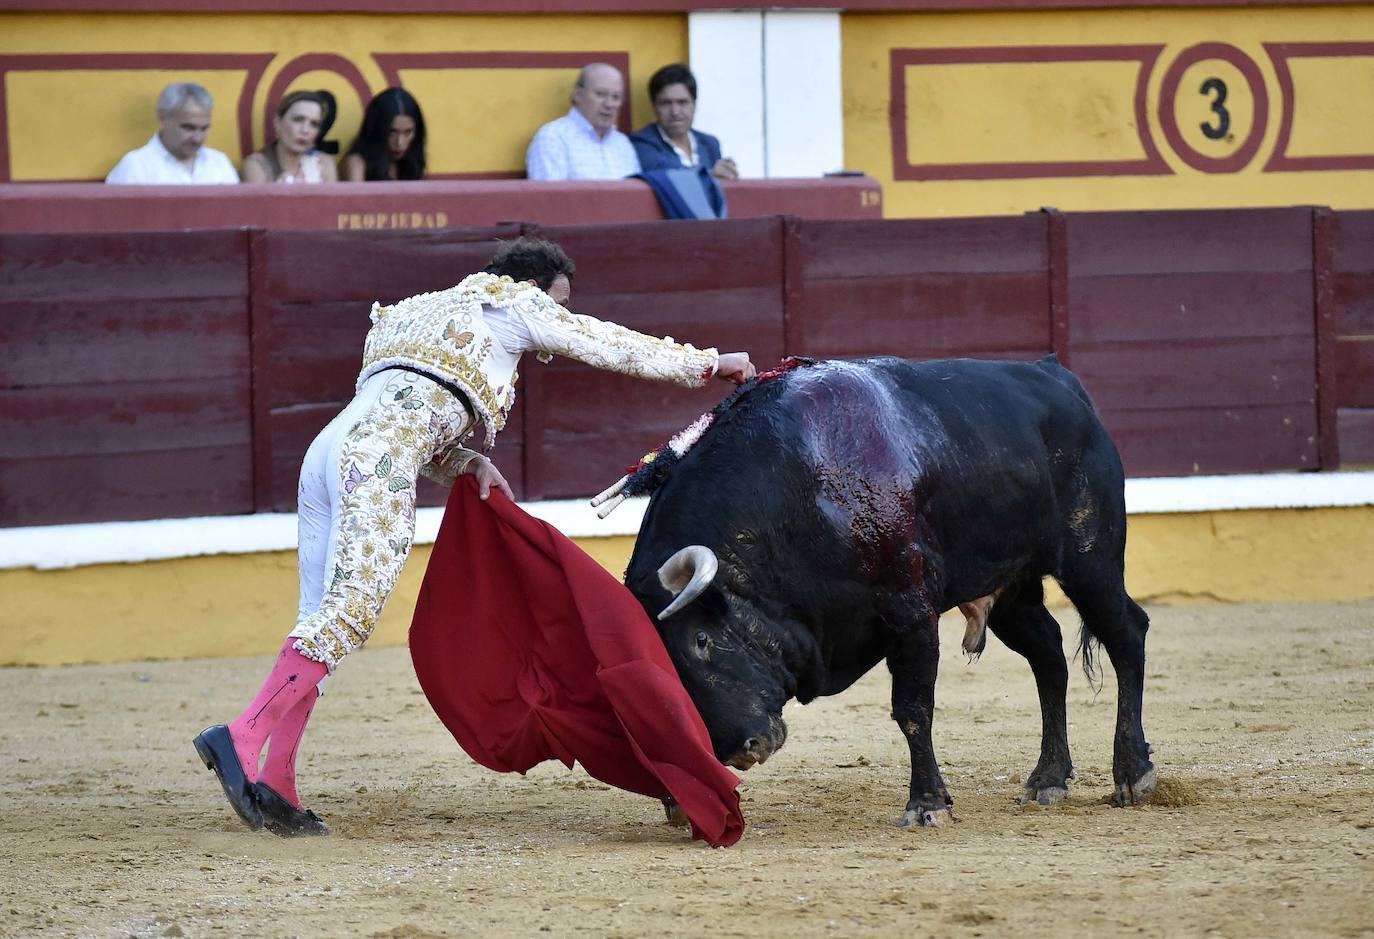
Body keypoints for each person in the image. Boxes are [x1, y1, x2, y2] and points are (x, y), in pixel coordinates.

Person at [193, 237, 756, 837]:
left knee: (318, 621)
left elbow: (409, 402)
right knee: (347, 615)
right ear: (535, 286)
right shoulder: (514, 302)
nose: (560, 316)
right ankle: (242, 734)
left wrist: (463, 461)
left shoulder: (410, 310)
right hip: (376, 461)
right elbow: (605, 342)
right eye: (559, 302)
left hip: (328, 453)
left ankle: (275, 777)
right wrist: (707, 362)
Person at [105, 82, 240, 185]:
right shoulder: (136, 166)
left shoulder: (219, 163)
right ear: (163, 118)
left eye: (204, 129)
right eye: (188, 128)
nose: (197, 138)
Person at [525, 63, 641, 180]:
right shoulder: (553, 138)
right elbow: (548, 196)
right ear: (578, 94)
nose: (609, 104)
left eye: (616, 97)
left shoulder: (622, 143)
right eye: (601, 94)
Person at [630, 64, 738, 180]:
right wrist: (710, 174)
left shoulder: (710, 143)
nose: (675, 112)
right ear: (654, 107)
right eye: (666, 103)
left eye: (682, 102)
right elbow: (666, 175)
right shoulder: (641, 142)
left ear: (694, 105)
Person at [241, 90, 339, 184]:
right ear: (277, 122)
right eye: (298, 120)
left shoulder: (325, 164)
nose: (305, 130)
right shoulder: (256, 165)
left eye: (314, 124)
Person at [342, 87, 426, 181]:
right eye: (392, 132)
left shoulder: (412, 163)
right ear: (377, 129)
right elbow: (355, 195)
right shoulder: (358, 163)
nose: (400, 142)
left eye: (408, 132)